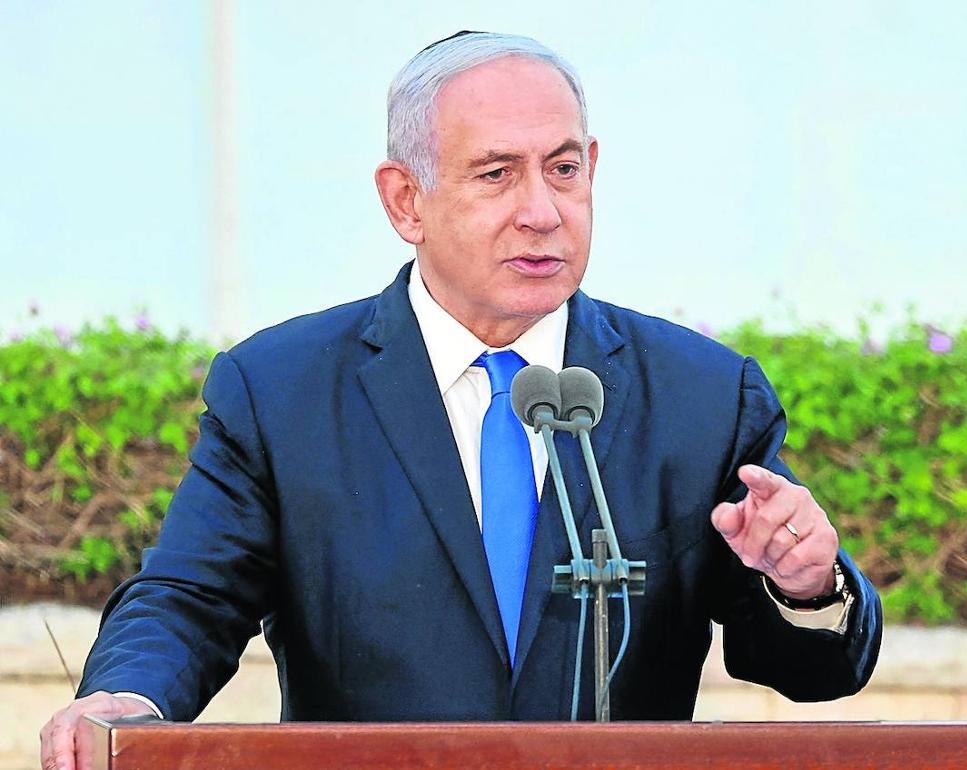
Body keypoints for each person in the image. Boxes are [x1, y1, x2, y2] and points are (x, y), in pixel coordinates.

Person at [39, 31, 882, 770]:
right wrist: (128, 697)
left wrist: (805, 586)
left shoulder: (700, 395)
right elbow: (191, 596)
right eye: (497, 174)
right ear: (406, 200)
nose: (542, 212)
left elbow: (811, 670)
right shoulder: (283, 390)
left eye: (562, 169)